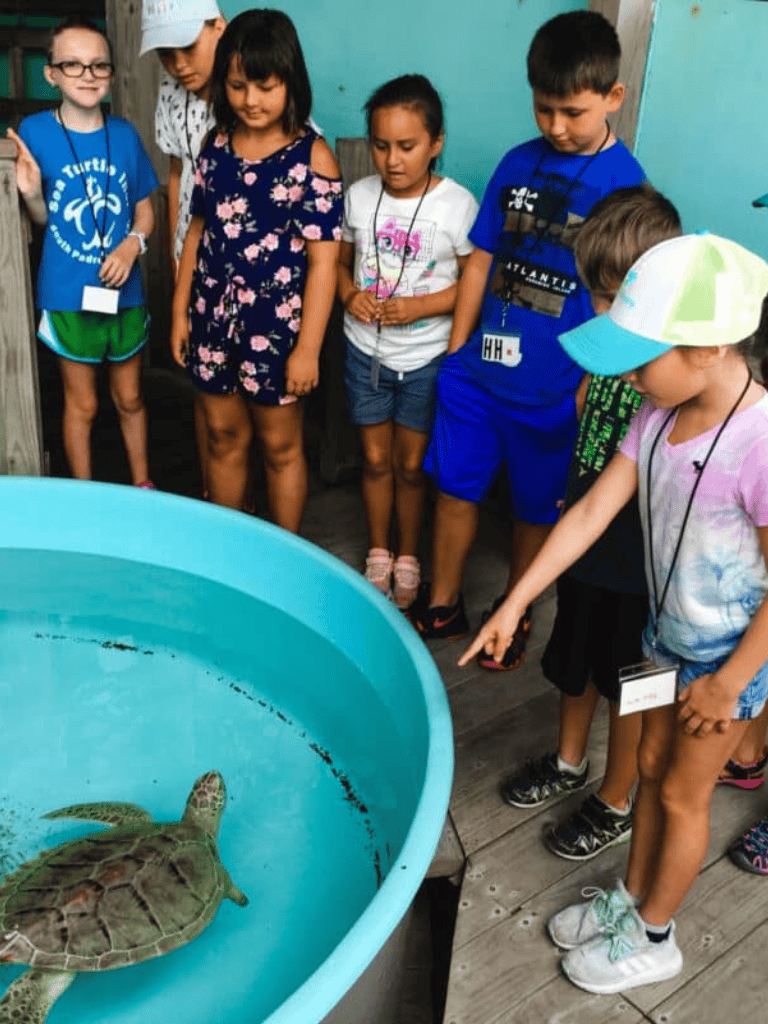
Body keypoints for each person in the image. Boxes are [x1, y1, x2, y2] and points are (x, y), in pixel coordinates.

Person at [461, 232, 768, 992]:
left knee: (680, 793)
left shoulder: (760, 444)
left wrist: (730, 683)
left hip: (726, 664)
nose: (629, 375)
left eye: (643, 356)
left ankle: (657, 934)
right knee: (653, 767)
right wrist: (519, 596)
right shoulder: (658, 414)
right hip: (664, 640)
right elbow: (595, 508)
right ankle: (630, 900)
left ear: (708, 346)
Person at [412, 10, 644, 660]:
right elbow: (482, 256)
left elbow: (622, 304)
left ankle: (514, 612)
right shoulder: (517, 162)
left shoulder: (625, 187)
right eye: (545, 109)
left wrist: (590, 387)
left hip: (557, 387)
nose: (556, 127)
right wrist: (458, 348)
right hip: (477, 376)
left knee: (534, 510)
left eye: (572, 111)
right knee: (456, 486)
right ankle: (442, 603)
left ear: (613, 98)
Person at [502, 186, 682, 864]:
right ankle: (569, 760)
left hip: (644, 573)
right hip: (586, 544)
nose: (600, 316)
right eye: (596, 298)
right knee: (572, 663)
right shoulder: (608, 361)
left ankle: (617, 796)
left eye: (612, 300)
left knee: (631, 686)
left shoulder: (666, 381)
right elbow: (586, 423)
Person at [170, 9, 342, 532]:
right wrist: (180, 313)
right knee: (222, 436)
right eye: (238, 85)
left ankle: (283, 557)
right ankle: (232, 552)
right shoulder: (213, 146)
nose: (250, 100)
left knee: (280, 445)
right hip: (211, 319)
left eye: (265, 86)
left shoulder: (313, 158)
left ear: (292, 82)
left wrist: (309, 347)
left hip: (278, 332)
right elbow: (196, 232)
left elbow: (324, 262)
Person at [337, 74, 478, 609]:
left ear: (436, 143)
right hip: (364, 353)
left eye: (407, 146)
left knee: (411, 466)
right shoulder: (358, 197)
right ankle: (379, 549)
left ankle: (409, 554)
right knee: (374, 460)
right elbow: (341, 269)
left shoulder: (458, 206)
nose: (392, 160)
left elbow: (473, 283)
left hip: (425, 359)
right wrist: (350, 296)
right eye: (381, 145)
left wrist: (420, 306)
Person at [7, 17, 158, 487]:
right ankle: (86, 494)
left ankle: (143, 485)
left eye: (98, 65)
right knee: (83, 405)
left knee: (130, 398)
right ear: (50, 74)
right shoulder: (33, 131)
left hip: (124, 292)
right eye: (72, 65)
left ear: (111, 74)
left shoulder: (126, 134)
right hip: (68, 292)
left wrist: (133, 246)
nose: (87, 75)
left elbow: (146, 212)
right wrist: (31, 193)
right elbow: (41, 221)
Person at [140, 0, 226, 500]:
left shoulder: (254, 88)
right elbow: (177, 175)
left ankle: (251, 501)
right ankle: (217, 495)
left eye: (187, 47)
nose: (178, 64)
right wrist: (176, 259)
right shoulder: (173, 93)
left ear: (220, 26)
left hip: (251, 260)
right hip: (193, 256)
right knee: (204, 386)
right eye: (165, 54)